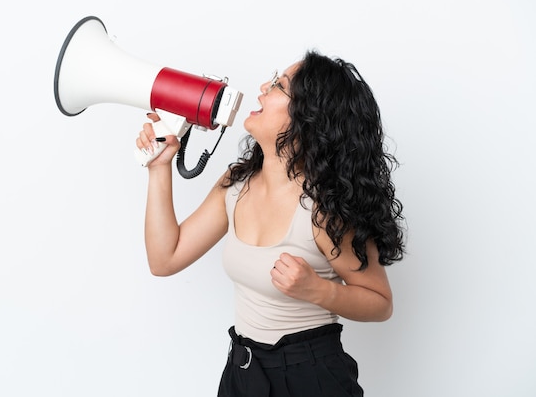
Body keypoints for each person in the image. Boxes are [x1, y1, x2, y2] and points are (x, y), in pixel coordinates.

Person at [136, 50, 405, 397]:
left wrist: (318, 290)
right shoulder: (236, 185)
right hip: (243, 372)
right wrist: (159, 168)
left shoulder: (324, 210)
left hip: (310, 376)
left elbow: (380, 302)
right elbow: (165, 259)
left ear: (308, 116)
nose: (263, 87)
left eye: (279, 85)